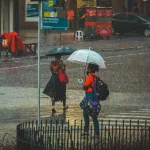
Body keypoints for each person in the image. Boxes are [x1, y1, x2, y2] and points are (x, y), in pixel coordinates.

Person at [82, 63, 100, 138]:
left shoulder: (90, 77)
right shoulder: (94, 76)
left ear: (90, 69)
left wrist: (84, 79)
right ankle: (95, 132)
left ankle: (90, 132)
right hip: (93, 97)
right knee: (91, 114)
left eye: (88, 68)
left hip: (89, 97)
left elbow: (84, 87)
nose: (87, 69)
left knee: (88, 114)